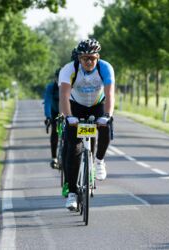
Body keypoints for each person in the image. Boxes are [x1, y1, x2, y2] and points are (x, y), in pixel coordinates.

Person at [58, 38, 115, 210]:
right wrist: (68, 117)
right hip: (75, 106)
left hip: (98, 105)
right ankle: (72, 194)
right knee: (73, 150)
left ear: (98, 57)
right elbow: (63, 97)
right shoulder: (69, 69)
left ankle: (99, 161)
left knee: (106, 127)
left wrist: (107, 115)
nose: (88, 61)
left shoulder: (105, 68)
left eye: (92, 57)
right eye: (84, 58)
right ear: (79, 59)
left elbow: (110, 94)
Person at [43, 68, 61, 169]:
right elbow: (48, 102)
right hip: (55, 112)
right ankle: (54, 157)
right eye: (59, 78)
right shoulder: (51, 87)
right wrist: (48, 116)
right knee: (55, 131)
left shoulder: (72, 85)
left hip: (68, 112)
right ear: (56, 78)